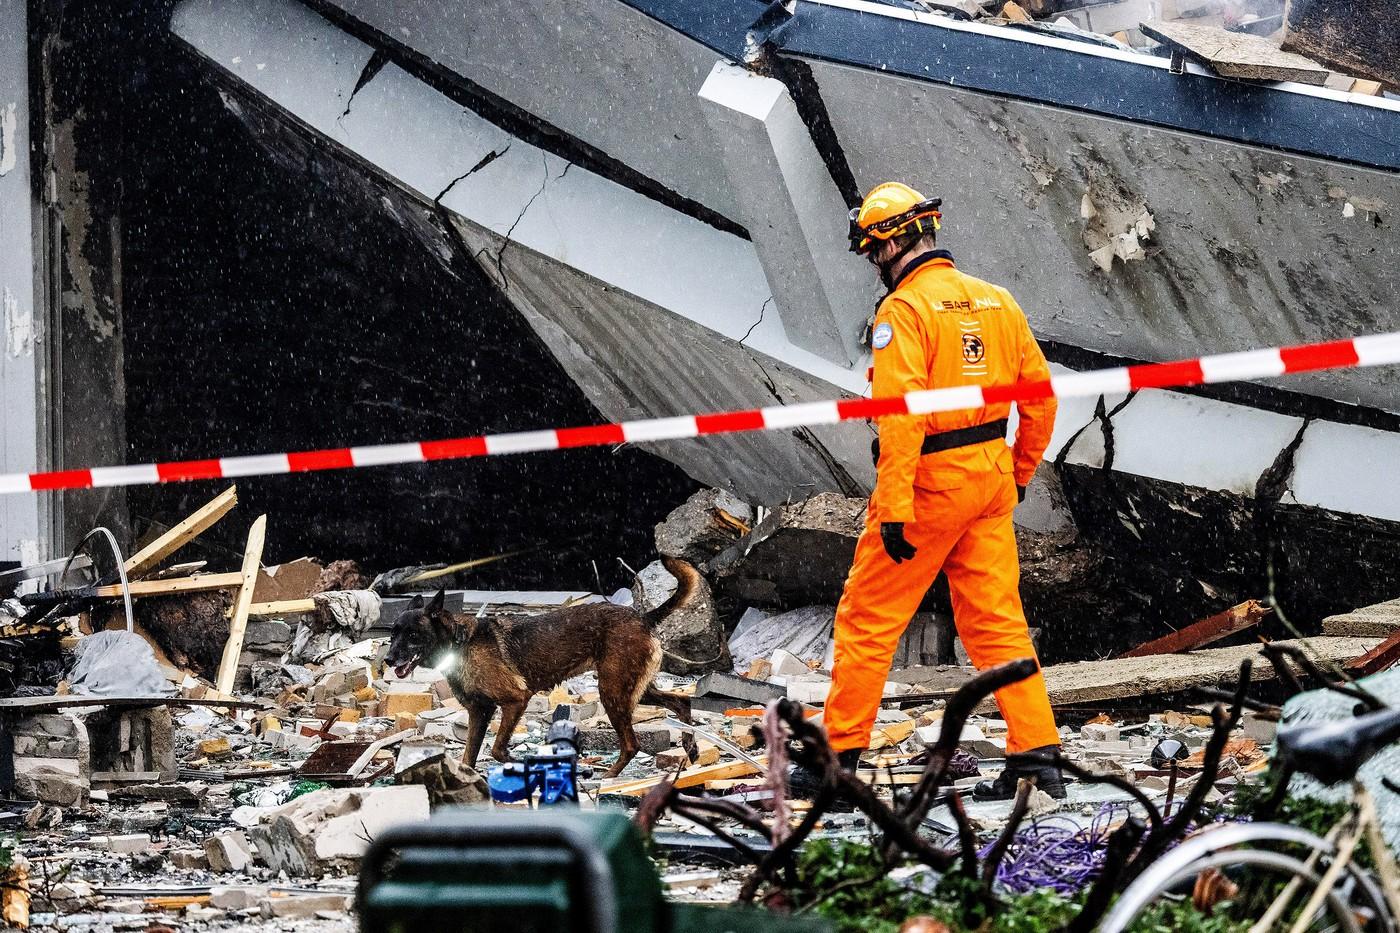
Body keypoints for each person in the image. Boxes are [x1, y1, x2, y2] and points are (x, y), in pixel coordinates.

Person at [815, 181, 1064, 800]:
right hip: (989, 479)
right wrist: (1021, 471)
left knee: (869, 619)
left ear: (892, 242)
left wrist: (895, 507)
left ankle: (839, 759)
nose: (874, 265)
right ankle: (1036, 755)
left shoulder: (903, 313)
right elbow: (1040, 398)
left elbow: (901, 418)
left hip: (927, 485)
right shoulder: (997, 301)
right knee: (999, 623)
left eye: (873, 252)